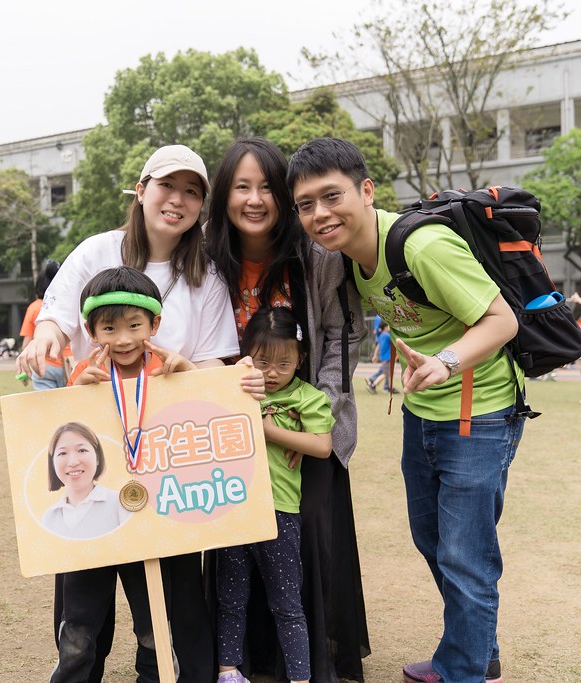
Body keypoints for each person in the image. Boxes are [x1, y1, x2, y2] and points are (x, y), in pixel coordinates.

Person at [288, 138, 523, 683]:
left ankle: (464, 670)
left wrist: (444, 362)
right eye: (306, 204)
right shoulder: (349, 258)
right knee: (431, 538)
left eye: (332, 196)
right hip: (425, 411)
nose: (320, 214)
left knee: (466, 553)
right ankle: (476, 650)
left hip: (478, 411)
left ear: (366, 191)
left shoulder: (422, 246)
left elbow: (502, 320)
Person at [17, 144, 249, 683]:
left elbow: (214, 358)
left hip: (168, 453)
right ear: (141, 190)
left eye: (193, 191)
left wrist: (187, 372)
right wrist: (44, 341)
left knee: (171, 597)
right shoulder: (97, 251)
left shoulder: (205, 273)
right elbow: (56, 316)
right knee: (85, 593)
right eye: (168, 186)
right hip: (96, 444)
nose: (179, 200)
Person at [204, 136, 368, 682]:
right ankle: (238, 661)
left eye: (268, 187)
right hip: (225, 431)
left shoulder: (318, 255)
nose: (255, 199)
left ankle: (308, 661)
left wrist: (303, 419)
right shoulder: (204, 259)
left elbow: (339, 336)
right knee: (231, 552)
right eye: (241, 187)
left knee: (310, 541)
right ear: (224, 195)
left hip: (306, 423)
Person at [51, 266, 199, 681]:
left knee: (154, 622)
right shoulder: (85, 375)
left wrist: (190, 378)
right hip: (91, 521)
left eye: (134, 325)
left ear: (155, 323)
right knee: (78, 622)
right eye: (109, 328)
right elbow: (60, 435)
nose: (122, 339)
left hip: (150, 521)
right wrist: (78, 392)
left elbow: (206, 419)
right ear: (91, 331)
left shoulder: (170, 372)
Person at [217, 307, 334, 683]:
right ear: (244, 354)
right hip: (233, 510)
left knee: (286, 603)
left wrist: (269, 429)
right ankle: (228, 670)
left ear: (300, 360)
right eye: (263, 360)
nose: (271, 372)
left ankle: (300, 677)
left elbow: (322, 446)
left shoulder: (309, 398)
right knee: (230, 599)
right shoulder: (229, 390)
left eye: (284, 363)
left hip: (280, 514)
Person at [42, 422, 131, 540]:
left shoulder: (120, 503)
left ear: (97, 457)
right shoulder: (49, 518)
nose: (73, 462)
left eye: (82, 450)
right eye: (62, 453)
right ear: (53, 463)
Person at [19, 260, 72, 389]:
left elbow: (27, 342)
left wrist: (23, 368)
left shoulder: (34, 307)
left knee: (46, 407)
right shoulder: (69, 304)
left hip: (44, 365)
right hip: (70, 363)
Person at [366, 320, 393, 394]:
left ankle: (390, 388)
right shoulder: (388, 336)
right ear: (385, 327)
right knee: (385, 374)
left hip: (384, 357)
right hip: (388, 358)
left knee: (389, 373)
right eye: (388, 326)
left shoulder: (380, 336)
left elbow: (378, 346)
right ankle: (372, 385)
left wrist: (375, 355)